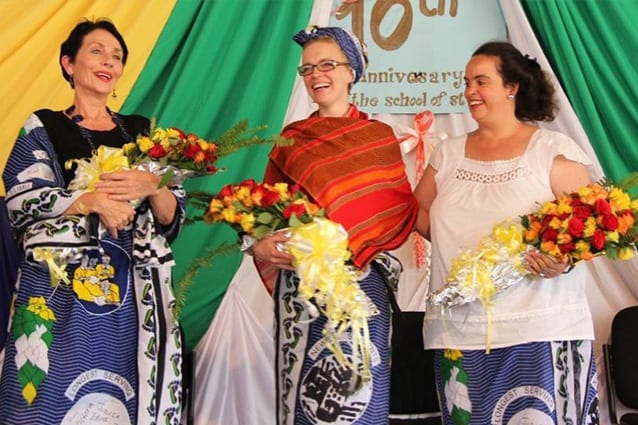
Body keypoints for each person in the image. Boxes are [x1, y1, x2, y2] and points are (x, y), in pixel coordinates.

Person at [0, 19, 185, 424]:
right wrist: (89, 200)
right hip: (58, 289)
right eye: (97, 51)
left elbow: (173, 219)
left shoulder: (142, 133)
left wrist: (155, 184)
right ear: (69, 63)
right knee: (46, 396)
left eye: (117, 56)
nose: (109, 62)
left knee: (128, 390)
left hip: (131, 291)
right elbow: (20, 198)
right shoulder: (44, 126)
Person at [414, 41, 600, 424]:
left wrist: (559, 262)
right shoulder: (447, 153)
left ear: (511, 87)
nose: (469, 91)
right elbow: (417, 212)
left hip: (540, 330)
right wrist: (465, 257)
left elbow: (594, 230)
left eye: (481, 81)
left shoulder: (551, 150)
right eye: (466, 82)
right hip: (458, 334)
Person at [250, 26, 419, 424]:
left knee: (361, 394)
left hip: (364, 285)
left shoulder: (379, 138)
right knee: (306, 394)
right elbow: (265, 211)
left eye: (327, 64)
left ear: (351, 72)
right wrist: (261, 242)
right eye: (307, 69)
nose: (316, 75)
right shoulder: (291, 140)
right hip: (304, 287)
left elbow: (395, 208)